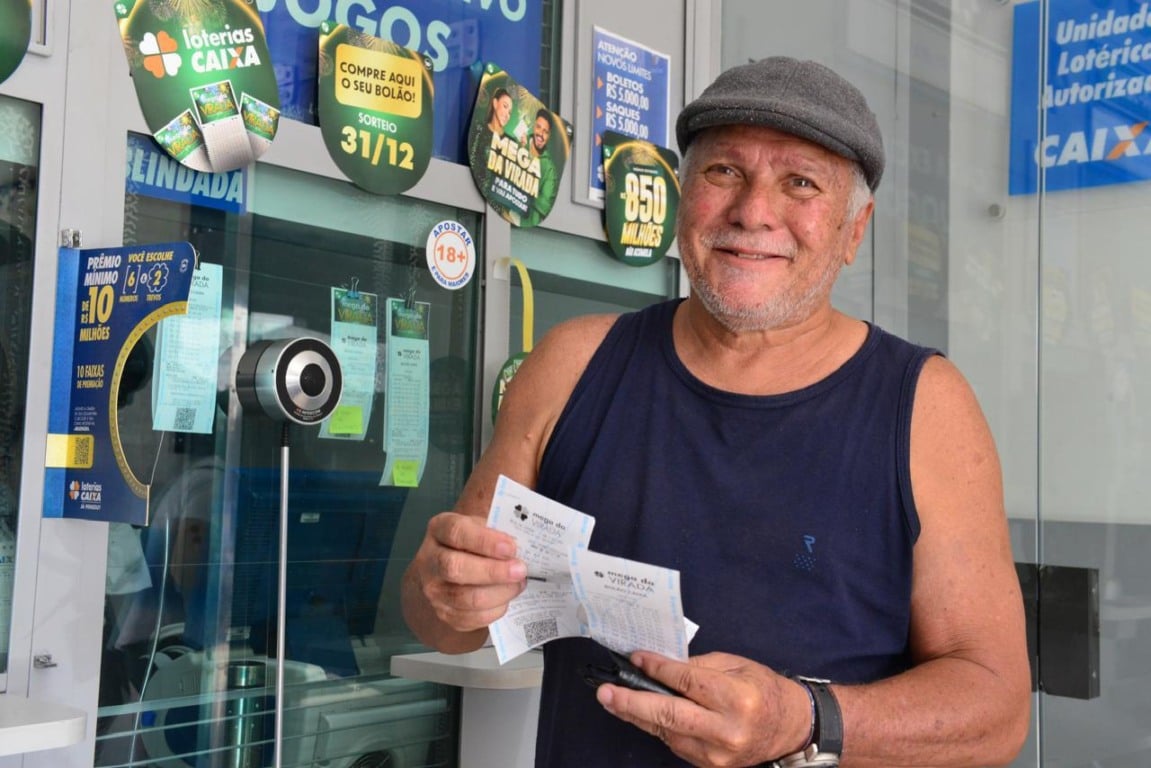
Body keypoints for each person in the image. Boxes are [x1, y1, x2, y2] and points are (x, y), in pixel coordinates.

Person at [403, 56, 1031, 767]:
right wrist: (440, 593)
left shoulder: (925, 407)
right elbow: (446, 624)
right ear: (682, 198)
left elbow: (996, 711)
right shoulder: (571, 365)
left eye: (800, 183)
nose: (752, 211)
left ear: (854, 229)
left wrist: (804, 721)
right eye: (724, 171)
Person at [519, 108, 559, 228]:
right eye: (538, 127)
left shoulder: (550, 169)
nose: (541, 134)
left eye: (545, 132)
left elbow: (545, 206)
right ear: (533, 126)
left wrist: (525, 187)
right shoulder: (519, 142)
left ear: (549, 136)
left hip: (525, 227)